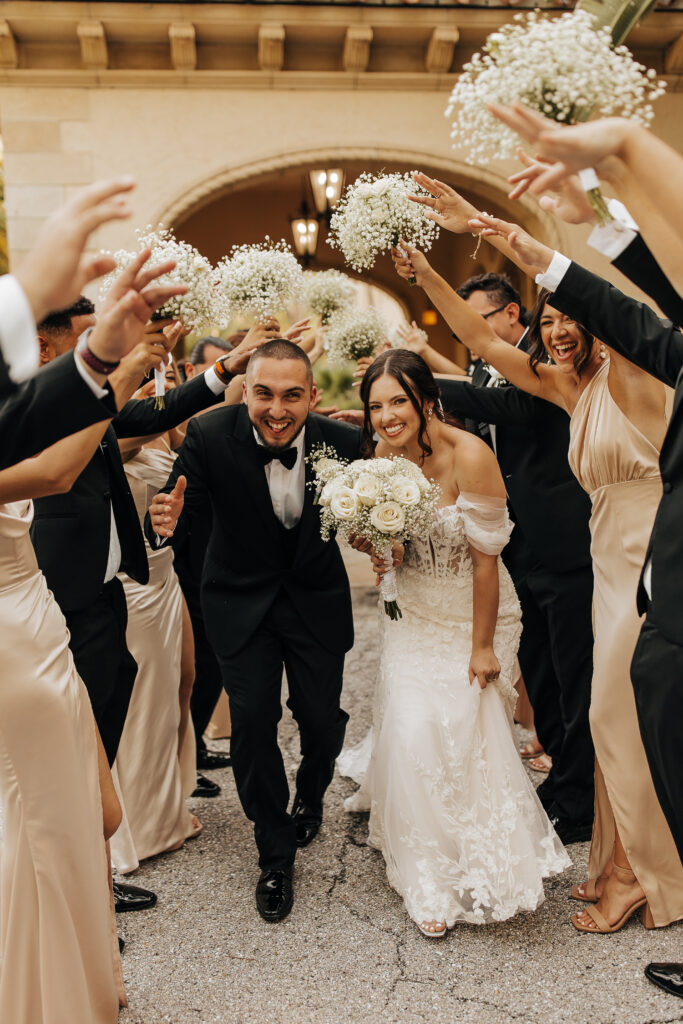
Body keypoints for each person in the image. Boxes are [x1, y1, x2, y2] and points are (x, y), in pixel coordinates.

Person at [392, 234, 683, 935]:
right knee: (610, 717)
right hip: (605, 561)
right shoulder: (566, 387)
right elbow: (481, 345)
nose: (553, 332)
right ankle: (621, 863)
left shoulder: (639, 377)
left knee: (615, 715)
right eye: (545, 321)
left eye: (565, 320)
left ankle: (644, 880)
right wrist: (427, 274)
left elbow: (617, 313)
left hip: (651, 561)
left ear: (595, 325)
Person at [343, 348, 569, 938]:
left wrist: (482, 645)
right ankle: (426, 872)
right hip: (412, 614)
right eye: (375, 406)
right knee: (417, 728)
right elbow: (392, 547)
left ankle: (481, 850)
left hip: (478, 611)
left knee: (468, 728)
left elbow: (487, 563)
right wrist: (376, 549)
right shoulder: (381, 459)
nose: (387, 416)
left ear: (427, 399)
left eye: (398, 401)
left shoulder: (471, 455)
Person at [146, 340, 363, 923]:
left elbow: (367, 514)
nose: (276, 408)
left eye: (292, 395)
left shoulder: (343, 444)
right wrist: (160, 520)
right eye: (263, 393)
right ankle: (274, 851)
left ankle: (311, 794)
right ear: (245, 392)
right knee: (252, 728)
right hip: (240, 604)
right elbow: (174, 504)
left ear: (312, 397)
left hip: (315, 602)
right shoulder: (211, 437)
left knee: (320, 718)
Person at [111, 361, 202, 873]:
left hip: (167, 578)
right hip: (134, 588)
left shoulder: (162, 432)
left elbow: (193, 447)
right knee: (146, 703)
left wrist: (172, 414)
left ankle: (172, 798)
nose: (154, 389)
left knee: (184, 682)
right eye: (146, 380)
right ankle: (142, 828)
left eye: (159, 381)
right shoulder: (114, 434)